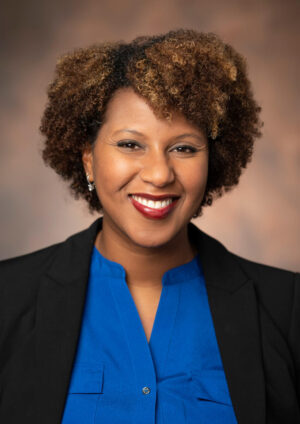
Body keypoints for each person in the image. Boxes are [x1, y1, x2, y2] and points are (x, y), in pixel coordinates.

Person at [0, 29, 299, 424]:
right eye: (130, 144)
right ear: (88, 158)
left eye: (184, 148)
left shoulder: (287, 309)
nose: (159, 174)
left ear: (214, 160)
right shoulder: (7, 299)